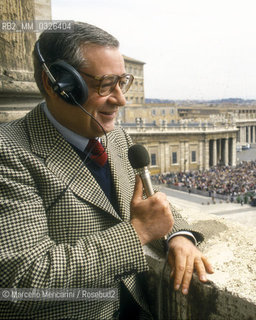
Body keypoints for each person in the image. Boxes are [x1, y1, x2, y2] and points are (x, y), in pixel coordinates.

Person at [0, 22, 212, 319]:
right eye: (105, 84)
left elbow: (149, 203)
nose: (121, 100)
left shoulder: (115, 137)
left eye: (122, 82)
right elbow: (25, 279)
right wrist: (137, 233)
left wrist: (180, 236)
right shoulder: (7, 153)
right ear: (58, 85)